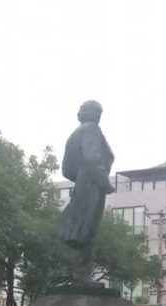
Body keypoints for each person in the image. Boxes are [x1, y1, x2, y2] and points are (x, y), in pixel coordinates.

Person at [59, 100, 115, 283]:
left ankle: (77, 273)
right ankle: (82, 275)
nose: (99, 115)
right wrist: (104, 183)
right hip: (92, 186)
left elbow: (66, 169)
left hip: (81, 185)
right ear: (90, 113)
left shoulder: (74, 134)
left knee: (79, 229)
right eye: (97, 111)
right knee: (86, 231)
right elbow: (92, 159)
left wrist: (81, 177)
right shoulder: (92, 130)